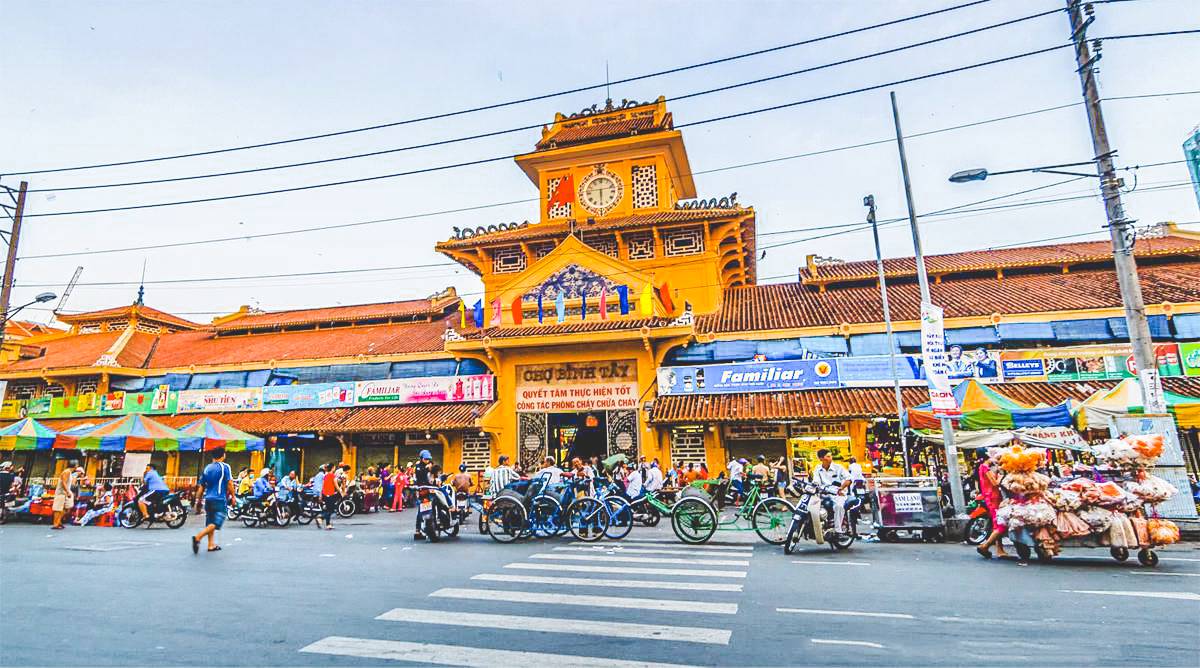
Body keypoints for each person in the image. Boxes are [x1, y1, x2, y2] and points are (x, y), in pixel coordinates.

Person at [192, 449, 235, 554]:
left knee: (210, 522)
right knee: (217, 521)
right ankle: (198, 537)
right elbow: (229, 483)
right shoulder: (225, 466)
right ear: (223, 455)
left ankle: (211, 545)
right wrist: (233, 496)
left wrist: (198, 500)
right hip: (219, 498)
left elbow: (201, 486)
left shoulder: (207, 468)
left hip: (208, 499)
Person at [975, 451, 1009, 559]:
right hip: (992, 498)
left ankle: (1000, 549)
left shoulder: (982, 467)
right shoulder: (985, 467)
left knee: (997, 523)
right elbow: (994, 483)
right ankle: (985, 546)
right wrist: (1000, 477)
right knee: (1000, 524)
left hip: (992, 497)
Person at [810, 449, 852, 535]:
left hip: (837, 494)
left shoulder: (838, 467)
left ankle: (838, 530)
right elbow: (816, 480)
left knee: (838, 506)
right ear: (821, 458)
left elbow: (849, 479)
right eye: (828, 456)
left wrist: (841, 488)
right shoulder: (817, 469)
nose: (830, 458)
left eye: (830, 456)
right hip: (823, 494)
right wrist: (814, 485)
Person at [320, 461, 344, 531]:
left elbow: (323, 485)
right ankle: (321, 517)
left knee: (328, 509)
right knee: (331, 509)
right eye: (334, 467)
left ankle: (328, 525)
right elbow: (336, 486)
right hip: (329, 494)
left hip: (325, 494)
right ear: (333, 468)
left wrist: (321, 495)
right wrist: (341, 492)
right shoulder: (332, 476)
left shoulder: (325, 476)